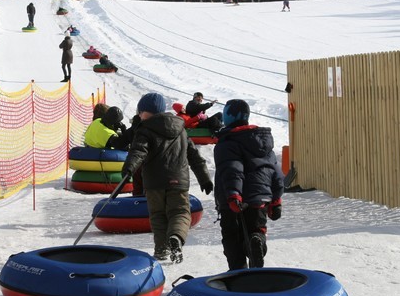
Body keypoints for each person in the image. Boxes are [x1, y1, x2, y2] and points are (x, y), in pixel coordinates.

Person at [121, 93, 213, 263]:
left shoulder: (144, 129)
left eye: (140, 112)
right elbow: (194, 156)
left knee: (157, 215)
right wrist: (204, 178)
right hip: (178, 181)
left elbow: (138, 152)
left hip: (154, 182)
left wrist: (129, 169)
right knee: (180, 212)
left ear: (144, 112)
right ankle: (176, 237)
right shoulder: (181, 130)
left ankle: (161, 249)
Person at [213, 99, 284, 270]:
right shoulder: (263, 142)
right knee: (256, 230)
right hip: (260, 199)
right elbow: (275, 171)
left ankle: (238, 273)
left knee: (232, 239)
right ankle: (257, 241)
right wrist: (276, 199)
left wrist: (233, 194)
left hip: (235, 202)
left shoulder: (228, 142)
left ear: (230, 116)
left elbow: (233, 169)